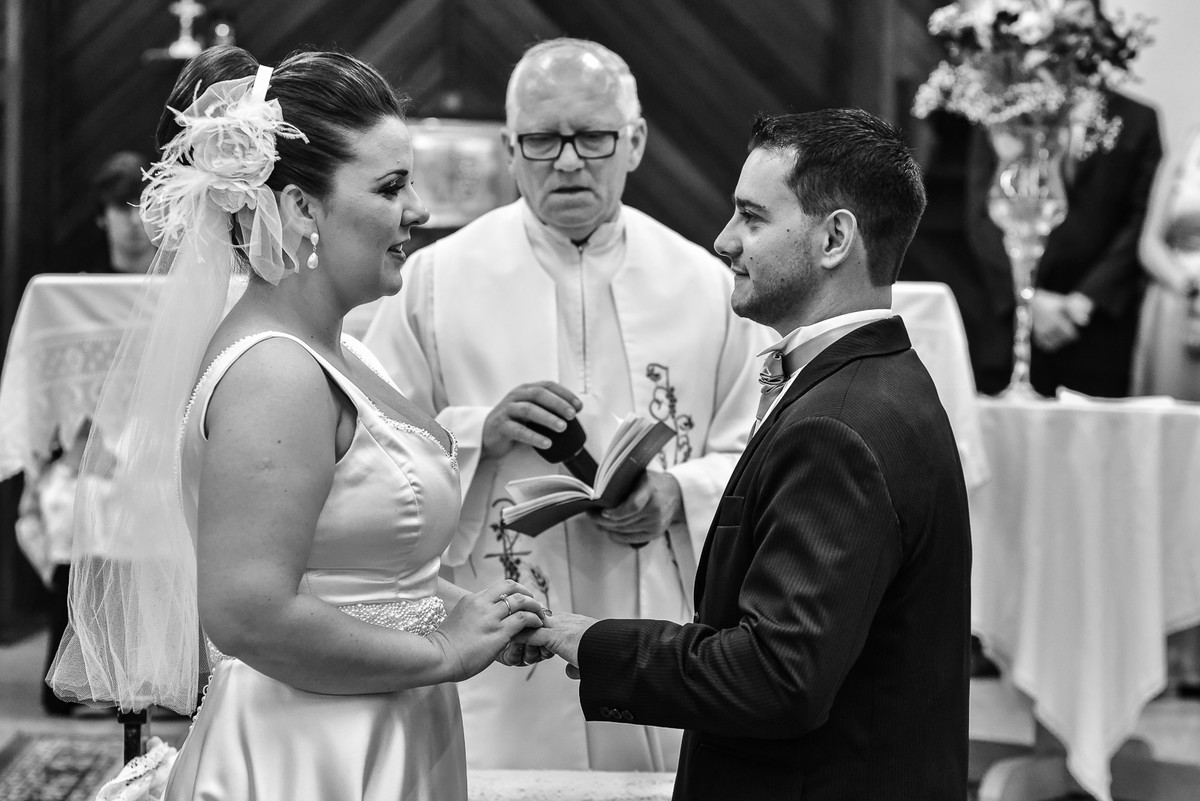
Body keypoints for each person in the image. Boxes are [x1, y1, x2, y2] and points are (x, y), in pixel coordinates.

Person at [48, 46, 550, 801]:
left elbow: (362, 574)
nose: (417, 209)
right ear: (300, 209)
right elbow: (248, 612)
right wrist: (443, 652)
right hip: (309, 751)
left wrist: (466, 612)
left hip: (375, 723)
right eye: (390, 186)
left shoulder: (339, 349)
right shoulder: (276, 374)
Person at [527, 110, 972, 801]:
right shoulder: (880, 379)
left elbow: (779, 677)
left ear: (834, 238)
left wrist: (593, 642)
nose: (724, 240)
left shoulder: (838, 425)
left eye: (752, 217)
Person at [363, 38, 768, 772]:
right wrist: (476, 433)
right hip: (500, 619)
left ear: (635, 142)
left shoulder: (707, 285)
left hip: (661, 611)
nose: (570, 161)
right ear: (510, 150)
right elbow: (372, 448)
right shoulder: (435, 280)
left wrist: (679, 492)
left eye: (593, 137)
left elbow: (761, 448)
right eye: (543, 140)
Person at [964, 45, 1162, 396]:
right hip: (1009, 329)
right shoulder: (1003, 112)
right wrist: (1029, 300)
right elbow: (983, 215)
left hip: (1094, 331)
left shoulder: (1138, 119)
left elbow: (1142, 220)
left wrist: (1084, 301)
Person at [1132, 124, 1200, 697]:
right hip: (1179, 311)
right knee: (1176, 475)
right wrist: (1188, 284)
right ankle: (1170, 652)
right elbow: (1149, 242)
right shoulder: (1184, 154)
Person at [92, 151, 156, 274]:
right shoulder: (81, 285)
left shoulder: (187, 283)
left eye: (145, 207)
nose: (136, 220)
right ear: (101, 217)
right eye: (123, 207)